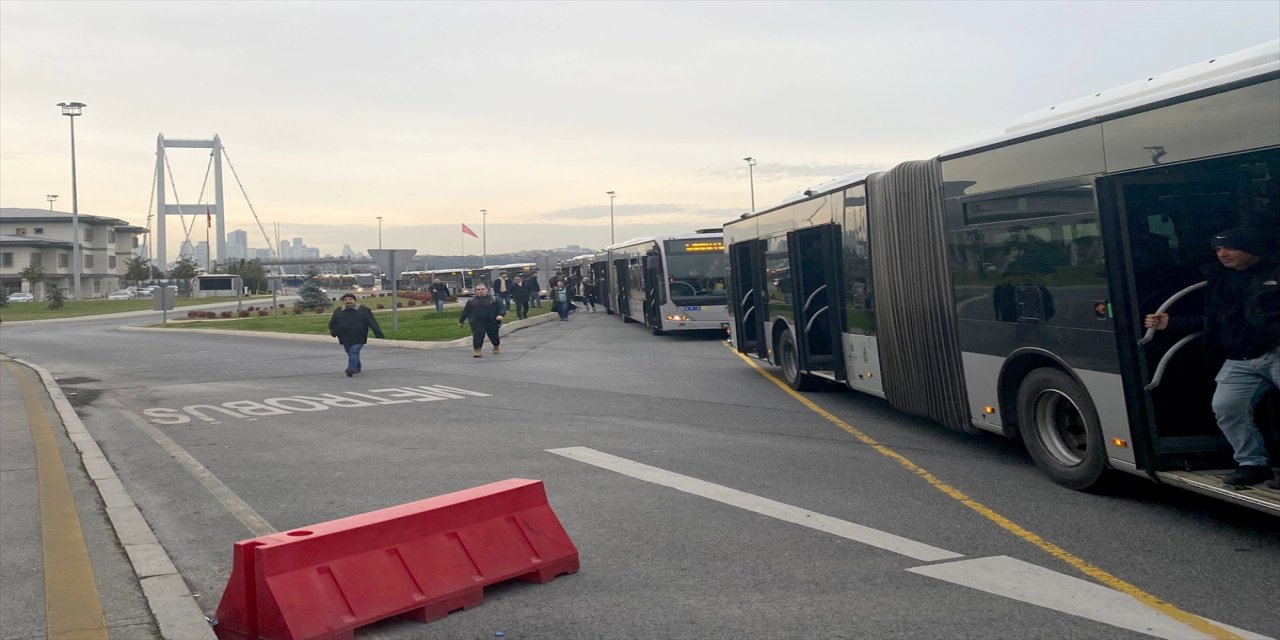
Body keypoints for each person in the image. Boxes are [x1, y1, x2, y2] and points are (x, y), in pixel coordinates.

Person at [1144, 227, 1280, 487]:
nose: (1223, 254)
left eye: (1230, 248)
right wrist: (1171, 323)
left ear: (1250, 248)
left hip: (1275, 351)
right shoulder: (1221, 279)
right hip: (1240, 357)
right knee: (1227, 408)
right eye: (1218, 249)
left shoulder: (1275, 272)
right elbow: (1215, 321)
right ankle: (1253, 464)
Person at [328, 293, 385, 377]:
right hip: (344, 337)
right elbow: (333, 323)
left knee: (353, 351)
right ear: (343, 301)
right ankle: (357, 367)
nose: (348, 301)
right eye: (346, 300)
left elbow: (372, 322)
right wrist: (334, 331)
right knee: (350, 352)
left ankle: (351, 369)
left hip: (359, 336)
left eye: (350, 299)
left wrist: (378, 333)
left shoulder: (363, 310)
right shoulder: (338, 311)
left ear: (354, 300)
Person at [458, 283, 506, 357]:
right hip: (477, 321)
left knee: (494, 335)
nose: (481, 291)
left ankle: (496, 346)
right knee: (478, 335)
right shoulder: (471, 301)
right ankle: (477, 350)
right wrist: (461, 321)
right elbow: (465, 312)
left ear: (487, 290)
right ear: (475, 291)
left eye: (482, 289)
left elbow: (502, 308)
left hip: (491, 321)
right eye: (478, 289)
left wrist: (500, 315)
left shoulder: (494, 300)